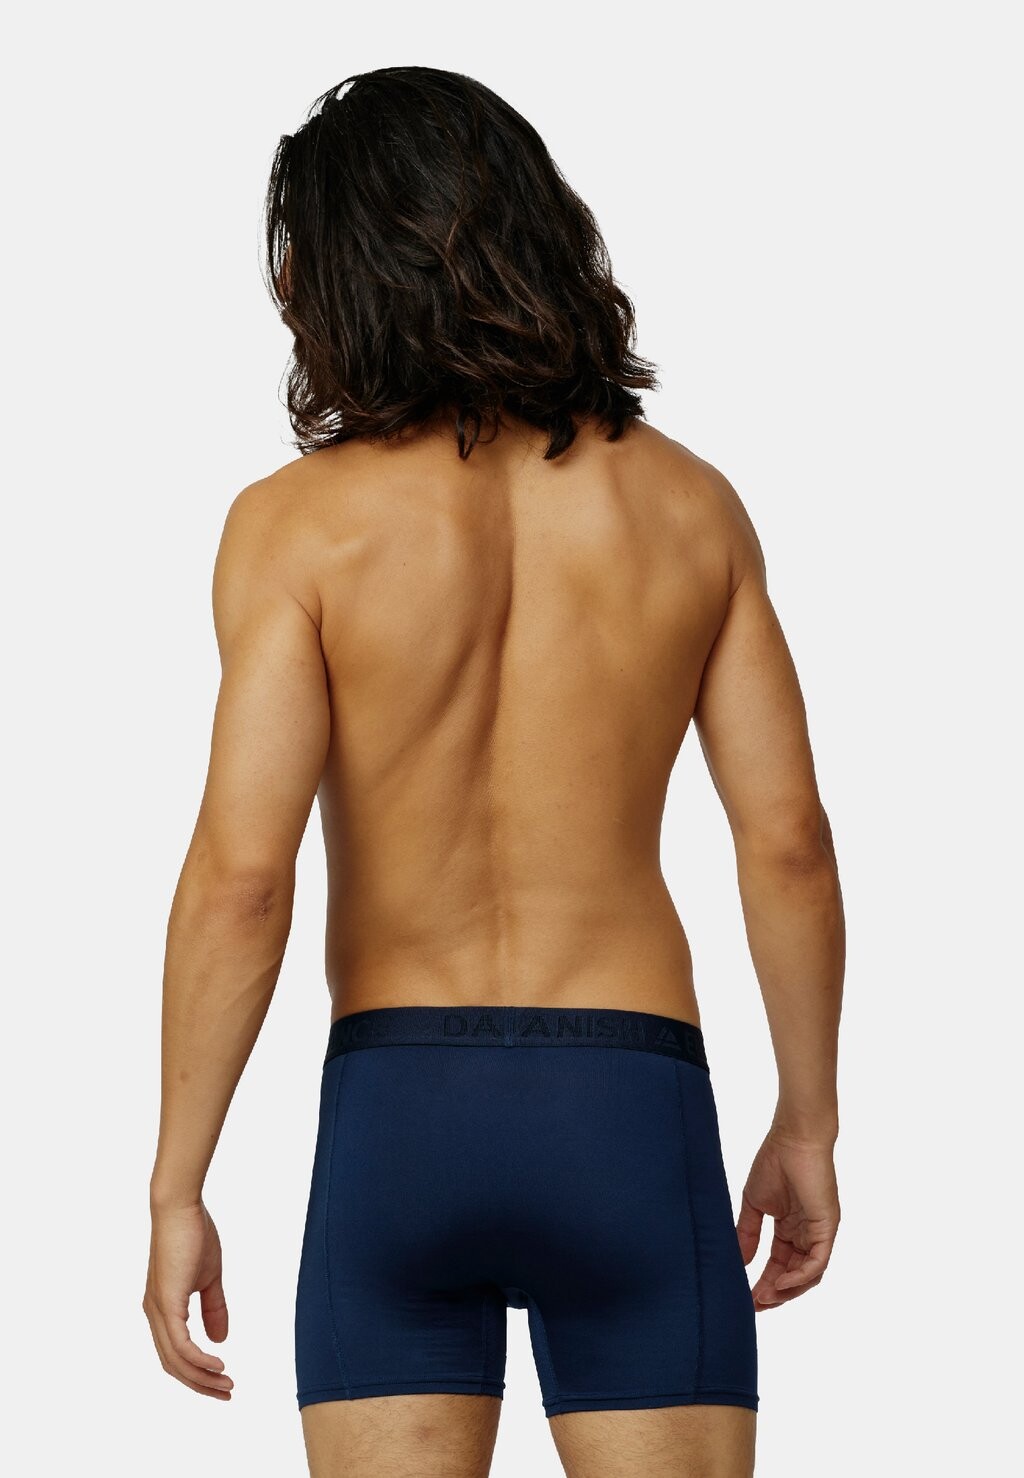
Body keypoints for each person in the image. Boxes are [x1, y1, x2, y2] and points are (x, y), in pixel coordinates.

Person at [143, 66, 844, 1478]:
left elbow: (242, 880)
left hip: (401, 1108)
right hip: (629, 1105)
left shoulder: (295, 529)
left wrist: (177, 1183)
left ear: (336, 275)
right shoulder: (691, 508)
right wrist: (808, 1120)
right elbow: (787, 842)